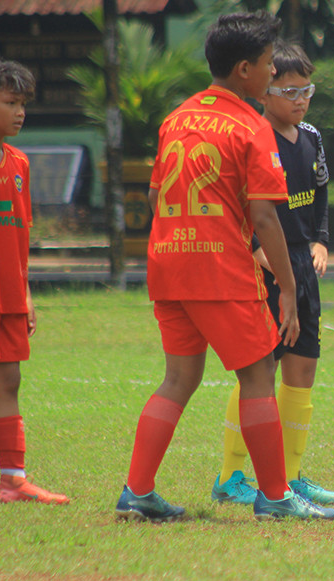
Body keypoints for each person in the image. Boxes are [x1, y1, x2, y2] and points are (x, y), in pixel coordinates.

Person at [114, 11, 312, 522]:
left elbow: (158, 195)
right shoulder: (251, 125)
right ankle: (274, 497)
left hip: (169, 269)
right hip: (221, 273)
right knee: (257, 378)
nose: (274, 74)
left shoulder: (176, 118)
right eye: (269, 65)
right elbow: (266, 218)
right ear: (245, 69)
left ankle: (137, 492)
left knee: (177, 378)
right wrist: (287, 290)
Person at [210, 40, 334, 520]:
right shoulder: (251, 137)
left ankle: (288, 475)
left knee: (303, 365)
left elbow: (321, 195)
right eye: (289, 90)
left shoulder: (311, 137)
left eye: (306, 89)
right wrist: (256, 250)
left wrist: (321, 241)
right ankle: (231, 476)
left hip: (302, 267)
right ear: (264, 90)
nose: (300, 99)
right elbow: (238, 206)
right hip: (263, 270)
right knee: (258, 370)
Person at [0, 54, 69, 506]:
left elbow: (21, 232)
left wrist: (26, 293)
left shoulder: (20, 163)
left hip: (7, 297)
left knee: (7, 382)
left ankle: (12, 481)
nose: (20, 112)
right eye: (10, 102)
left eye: (23, 103)